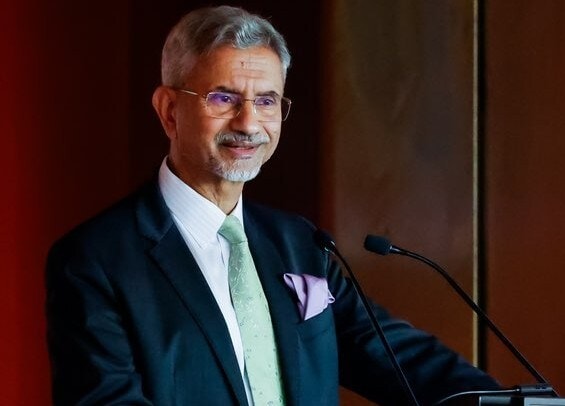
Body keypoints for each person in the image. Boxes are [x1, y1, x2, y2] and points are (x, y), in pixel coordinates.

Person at [45, 5, 501, 405]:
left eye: (266, 101)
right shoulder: (95, 260)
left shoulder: (300, 243)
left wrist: (514, 402)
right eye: (223, 98)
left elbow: (400, 359)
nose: (248, 123)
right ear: (169, 110)